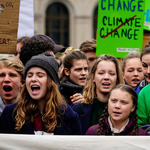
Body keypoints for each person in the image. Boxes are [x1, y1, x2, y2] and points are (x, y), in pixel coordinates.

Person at [0, 52, 82, 135]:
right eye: (29, 75)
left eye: (40, 75)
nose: (33, 79)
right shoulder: (10, 113)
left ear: (52, 82)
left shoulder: (69, 115)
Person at [72, 54, 124, 134]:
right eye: (101, 73)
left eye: (112, 74)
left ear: (117, 78)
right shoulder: (78, 109)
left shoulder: (125, 109)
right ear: (93, 77)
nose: (106, 77)